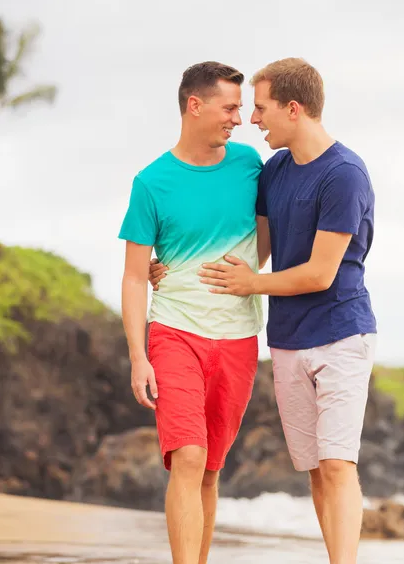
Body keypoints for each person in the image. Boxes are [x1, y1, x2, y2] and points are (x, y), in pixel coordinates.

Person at [150, 58, 377, 564]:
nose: (253, 119)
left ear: (293, 109)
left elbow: (320, 273)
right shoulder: (273, 170)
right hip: (287, 338)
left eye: (262, 107)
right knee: (317, 469)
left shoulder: (344, 175)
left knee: (339, 465)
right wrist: (168, 266)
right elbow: (254, 245)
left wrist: (252, 284)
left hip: (341, 332)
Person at [118, 61, 270, 564]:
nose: (240, 118)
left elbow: (266, 237)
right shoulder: (152, 183)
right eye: (230, 107)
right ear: (195, 105)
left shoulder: (250, 165)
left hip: (239, 337)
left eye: (243, 108)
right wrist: (139, 356)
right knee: (187, 457)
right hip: (174, 332)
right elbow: (136, 275)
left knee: (209, 470)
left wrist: (248, 272)